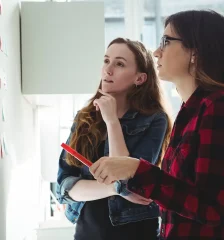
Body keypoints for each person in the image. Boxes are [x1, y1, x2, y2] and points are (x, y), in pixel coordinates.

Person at [90, 10, 224, 240]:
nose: (156, 51)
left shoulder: (216, 108)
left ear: (195, 51)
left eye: (166, 41)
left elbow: (212, 209)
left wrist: (135, 169)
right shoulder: (188, 111)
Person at [56, 37, 172, 240]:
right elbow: (65, 187)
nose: (107, 70)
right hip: (88, 233)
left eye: (119, 64)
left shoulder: (155, 119)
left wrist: (111, 121)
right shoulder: (84, 118)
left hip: (136, 233)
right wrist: (114, 189)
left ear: (140, 78)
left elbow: (130, 180)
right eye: (106, 60)